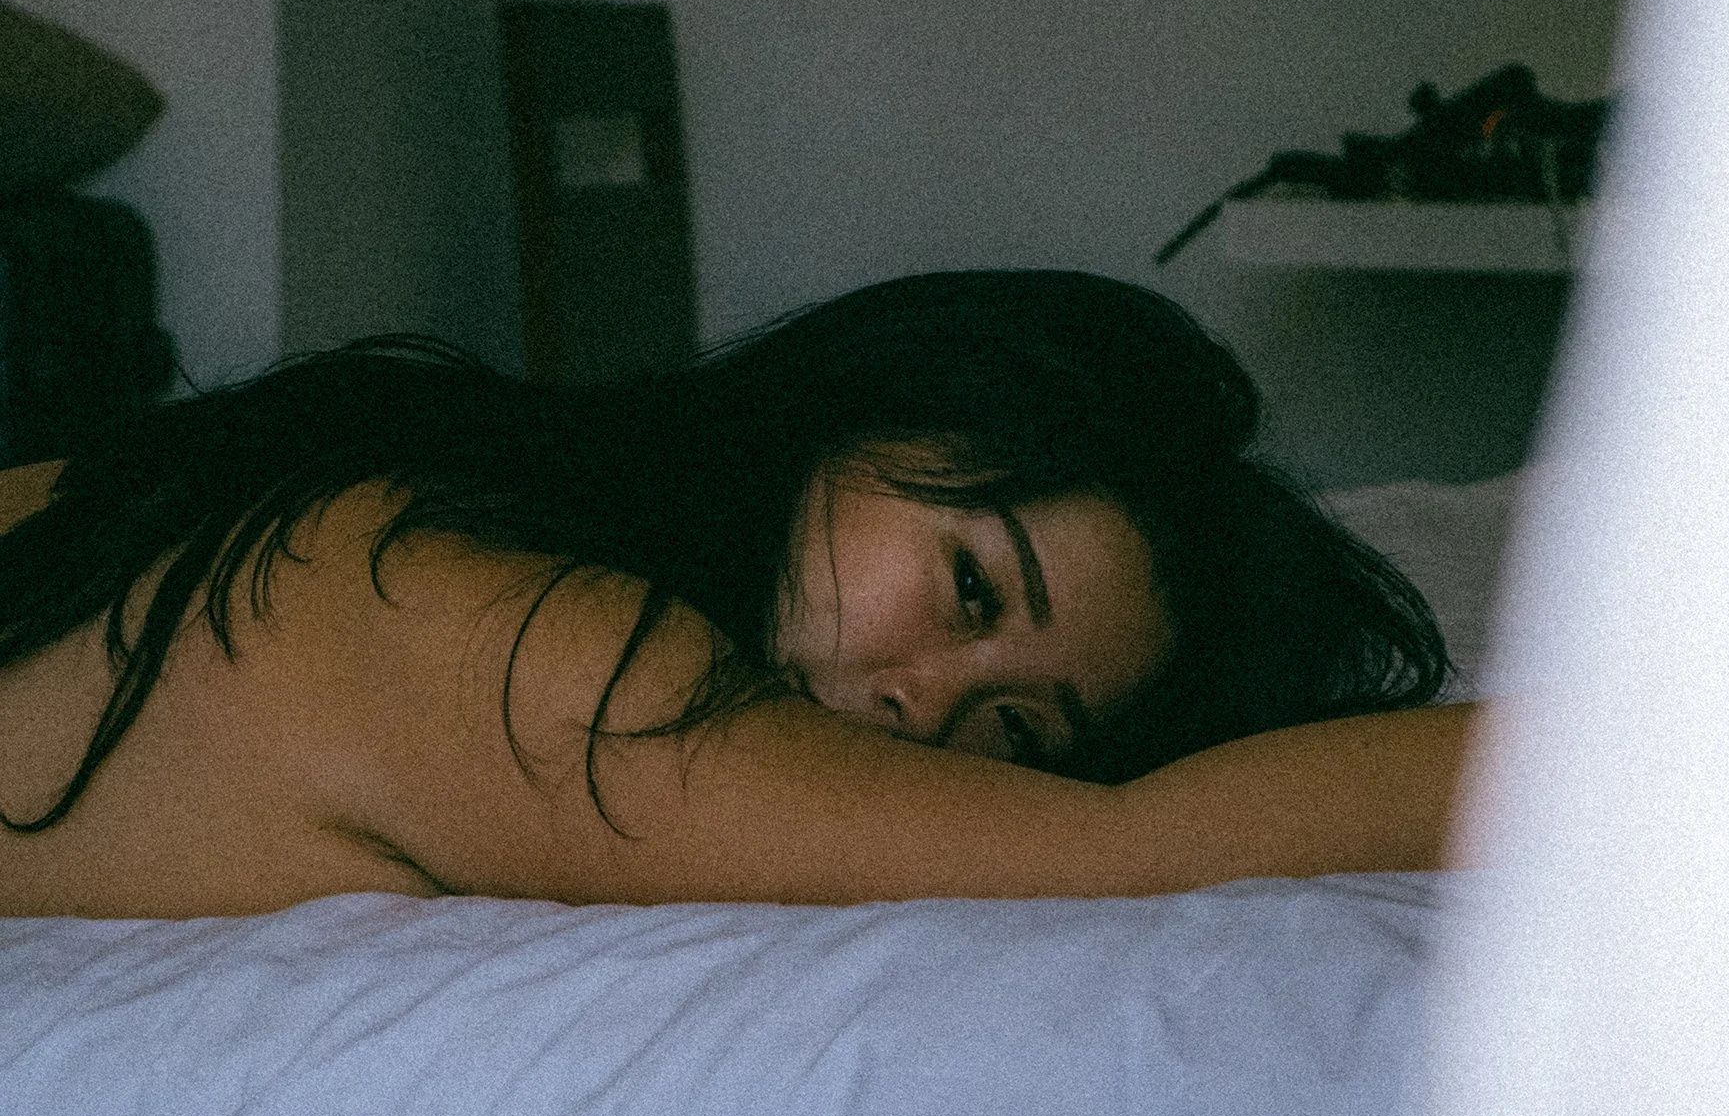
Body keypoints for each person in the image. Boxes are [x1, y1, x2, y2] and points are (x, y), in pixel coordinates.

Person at [0, 269, 1475, 919]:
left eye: (1015, 729)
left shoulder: (479, 496)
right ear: (865, 411)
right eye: (968, 588)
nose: (921, 710)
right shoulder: (511, 636)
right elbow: (1121, 851)